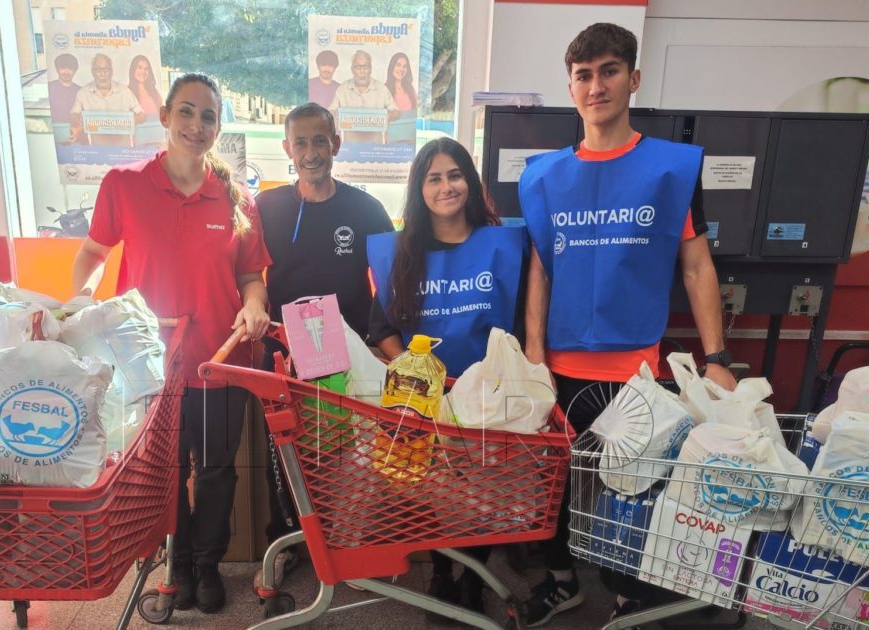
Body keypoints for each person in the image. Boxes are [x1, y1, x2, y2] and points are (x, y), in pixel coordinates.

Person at [517, 23, 737, 627]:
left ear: (633, 79)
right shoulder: (542, 177)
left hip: (636, 374)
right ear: (570, 87)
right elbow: (539, 269)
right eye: (584, 75)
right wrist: (534, 351)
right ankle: (561, 583)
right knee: (553, 493)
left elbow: (696, 265)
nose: (597, 85)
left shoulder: (671, 171)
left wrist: (716, 356)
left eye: (610, 70)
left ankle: (628, 598)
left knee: (631, 495)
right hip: (559, 369)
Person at [71, 72, 271, 615]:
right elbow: (92, 253)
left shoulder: (236, 198)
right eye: (186, 112)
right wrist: (79, 304)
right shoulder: (124, 184)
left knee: (214, 469)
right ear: (164, 116)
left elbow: (252, 274)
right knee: (161, 472)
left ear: (218, 127)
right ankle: (175, 564)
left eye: (208, 116)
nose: (196, 125)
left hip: (220, 360)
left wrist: (254, 304)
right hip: (144, 366)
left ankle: (206, 566)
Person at [367, 137, 529, 621]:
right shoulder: (399, 252)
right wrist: (422, 378)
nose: (445, 186)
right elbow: (382, 331)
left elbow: (517, 326)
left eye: (454, 174)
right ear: (419, 189)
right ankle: (441, 571)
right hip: (425, 401)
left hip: (486, 400)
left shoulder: (501, 246)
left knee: (483, 495)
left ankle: (472, 579)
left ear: (471, 182)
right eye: (433, 178)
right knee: (434, 490)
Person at [253, 102, 393, 589]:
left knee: (345, 453)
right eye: (301, 143)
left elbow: (389, 284)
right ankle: (287, 539)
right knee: (287, 451)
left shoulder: (366, 209)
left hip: (348, 353)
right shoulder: (266, 207)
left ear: (336, 144)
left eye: (320, 141)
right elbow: (248, 276)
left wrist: (379, 345)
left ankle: (343, 537)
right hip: (284, 354)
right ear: (286, 148)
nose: (311, 153)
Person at [70, 53, 147, 146]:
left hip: (124, 152)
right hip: (96, 151)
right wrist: (78, 122)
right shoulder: (83, 93)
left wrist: (134, 120)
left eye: (106, 69)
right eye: (98, 70)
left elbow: (142, 115)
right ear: (92, 72)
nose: (102, 73)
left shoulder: (125, 91)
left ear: (111, 71)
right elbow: (74, 114)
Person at [328, 50, 400, 145]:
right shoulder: (342, 89)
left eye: (365, 67)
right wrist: (335, 116)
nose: (362, 71)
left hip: (376, 148)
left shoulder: (381, 88)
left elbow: (396, 111)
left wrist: (385, 117)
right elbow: (330, 111)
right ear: (352, 69)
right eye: (358, 67)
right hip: (349, 148)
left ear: (370, 69)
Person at [384, 52, 418, 144]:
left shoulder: (411, 90)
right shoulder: (384, 90)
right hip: (390, 142)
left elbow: (417, 115)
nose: (401, 69)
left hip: (410, 142)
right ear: (392, 67)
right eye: (398, 65)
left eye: (405, 66)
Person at [48, 53, 80, 126]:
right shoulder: (49, 87)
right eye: (62, 68)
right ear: (57, 69)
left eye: (70, 69)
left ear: (75, 71)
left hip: (75, 133)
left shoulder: (80, 91)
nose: (66, 72)